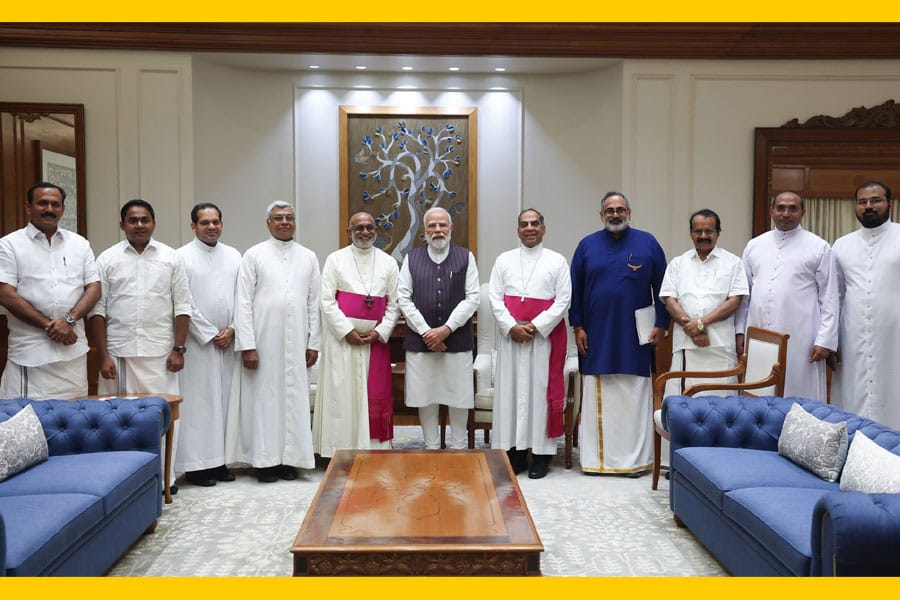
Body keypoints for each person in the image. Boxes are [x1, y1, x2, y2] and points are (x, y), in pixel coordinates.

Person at [88, 199, 192, 493]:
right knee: (116, 420)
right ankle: (123, 484)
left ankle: (164, 480)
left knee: (164, 418)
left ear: (153, 223)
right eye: (132, 220)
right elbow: (99, 311)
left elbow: (182, 307)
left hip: (161, 354)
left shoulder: (171, 258)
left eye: (145, 220)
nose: (139, 225)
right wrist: (103, 355)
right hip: (119, 356)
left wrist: (178, 349)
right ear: (122, 225)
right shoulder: (107, 259)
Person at [569, 191, 669, 477]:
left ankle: (635, 462)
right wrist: (578, 326)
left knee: (634, 395)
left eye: (621, 210)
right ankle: (597, 462)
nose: (615, 214)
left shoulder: (648, 243)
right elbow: (575, 291)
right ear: (601, 215)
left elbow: (664, 288)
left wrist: (661, 324)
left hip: (636, 336)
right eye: (610, 210)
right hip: (596, 334)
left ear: (629, 213)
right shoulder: (586, 246)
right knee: (600, 392)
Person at [234, 201, 321, 482]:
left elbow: (314, 303)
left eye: (289, 218)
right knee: (265, 400)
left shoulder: (308, 257)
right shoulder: (254, 255)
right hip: (263, 340)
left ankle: (290, 460)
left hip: (297, 341)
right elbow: (243, 302)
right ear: (268, 222)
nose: (284, 222)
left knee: (294, 398)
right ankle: (265, 461)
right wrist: (247, 345)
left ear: (295, 222)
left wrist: (314, 343)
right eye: (278, 218)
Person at [488, 209, 571, 478]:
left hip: (543, 341)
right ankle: (513, 453)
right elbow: (495, 297)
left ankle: (541, 456)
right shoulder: (504, 260)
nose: (530, 228)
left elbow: (563, 300)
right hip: (512, 338)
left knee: (540, 394)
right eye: (524, 224)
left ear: (544, 228)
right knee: (511, 394)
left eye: (535, 224)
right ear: (518, 230)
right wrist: (512, 326)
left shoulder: (557, 261)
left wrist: (535, 326)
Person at [0, 182, 100, 399]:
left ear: (63, 209)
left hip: (72, 354)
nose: (49, 209)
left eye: (55, 204)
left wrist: (69, 321)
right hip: (30, 354)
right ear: (28, 207)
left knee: (74, 419)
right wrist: (51, 326)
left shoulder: (79, 244)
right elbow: (6, 294)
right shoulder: (9, 244)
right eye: (42, 203)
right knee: (26, 422)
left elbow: (94, 288)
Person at [312, 211, 400, 457]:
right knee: (343, 394)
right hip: (343, 343)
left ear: (376, 230)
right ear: (348, 231)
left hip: (375, 343)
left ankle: (373, 448)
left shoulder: (388, 262)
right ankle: (340, 449)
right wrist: (347, 331)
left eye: (369, 227)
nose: (364, 232)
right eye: (358, 228)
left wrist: (379, 332)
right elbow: (326, 300)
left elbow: (395, 303)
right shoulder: (335, 259)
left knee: (373, 394)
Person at [735, 191, 838, 402]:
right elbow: (744, 295)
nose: (786, 213)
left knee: (799, 393)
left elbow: (829, 297)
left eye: (793, 208)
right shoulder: (754, 245)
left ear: (803, 212)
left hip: (802, 336)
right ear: (772, 211)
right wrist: (739, 331)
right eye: (780, 208)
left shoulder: (819, 247)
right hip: (758, 333)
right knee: (759, 391)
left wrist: (825, 340)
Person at [397, 206, 480, 450]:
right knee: (426, 396)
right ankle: (431, 446)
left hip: (457, 341)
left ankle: (459, 446)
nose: (438, 230)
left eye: (442, 225)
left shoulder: (466, 256)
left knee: (459, 396)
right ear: (425, 231)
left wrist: (446, 329)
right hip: (420, 342)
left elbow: (472, 297)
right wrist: (426, 332)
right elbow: (404, 298)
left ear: (451, 228)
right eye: (432, 226)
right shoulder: (412, 258)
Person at [175, 203, 242, 487]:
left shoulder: (234, 256)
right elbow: (183, 300)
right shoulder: (181, 257)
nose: (211, 227)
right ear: (193, 226)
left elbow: (244, 297)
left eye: (216, 221)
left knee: (226, 402)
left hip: (229, 341)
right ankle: (197, 466)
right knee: (200, 404)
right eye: (204, 222)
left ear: (222, 224)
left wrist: (233, 329)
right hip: (198, 342)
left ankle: (221, 461)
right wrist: (210, 333)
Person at [831, 181, 900, 428]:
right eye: (862, 202)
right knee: (852, 396)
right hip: (852, 335)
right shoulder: (841, 244)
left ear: (889, 204)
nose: (868, 206)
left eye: (876, 200)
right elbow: (834, 295)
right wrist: (831, 339)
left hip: (894, 337)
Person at [659, 209, 748, 397]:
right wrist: (692, 329)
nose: (703, 236)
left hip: (720, 346)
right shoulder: (678, 263)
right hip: (686, 345)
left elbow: (734, 301)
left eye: (709, 231)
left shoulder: (733, 263)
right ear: (691, 233)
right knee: (683, 405)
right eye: (698, 231)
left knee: (722, 406)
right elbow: (669, 301)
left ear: (718, 233)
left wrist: (700, 323)